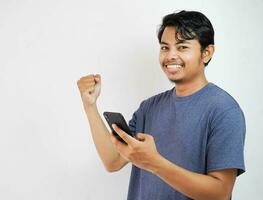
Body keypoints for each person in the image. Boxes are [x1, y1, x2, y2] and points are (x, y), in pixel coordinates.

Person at [77, 10, 246, 200]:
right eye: (165, 48)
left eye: (182, 47)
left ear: (206, 53)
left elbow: (221, 193)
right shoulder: (149, 108)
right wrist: (90, 106)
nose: (170, 56)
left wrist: (154, 163)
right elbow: (112, 161)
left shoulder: (224, 110)